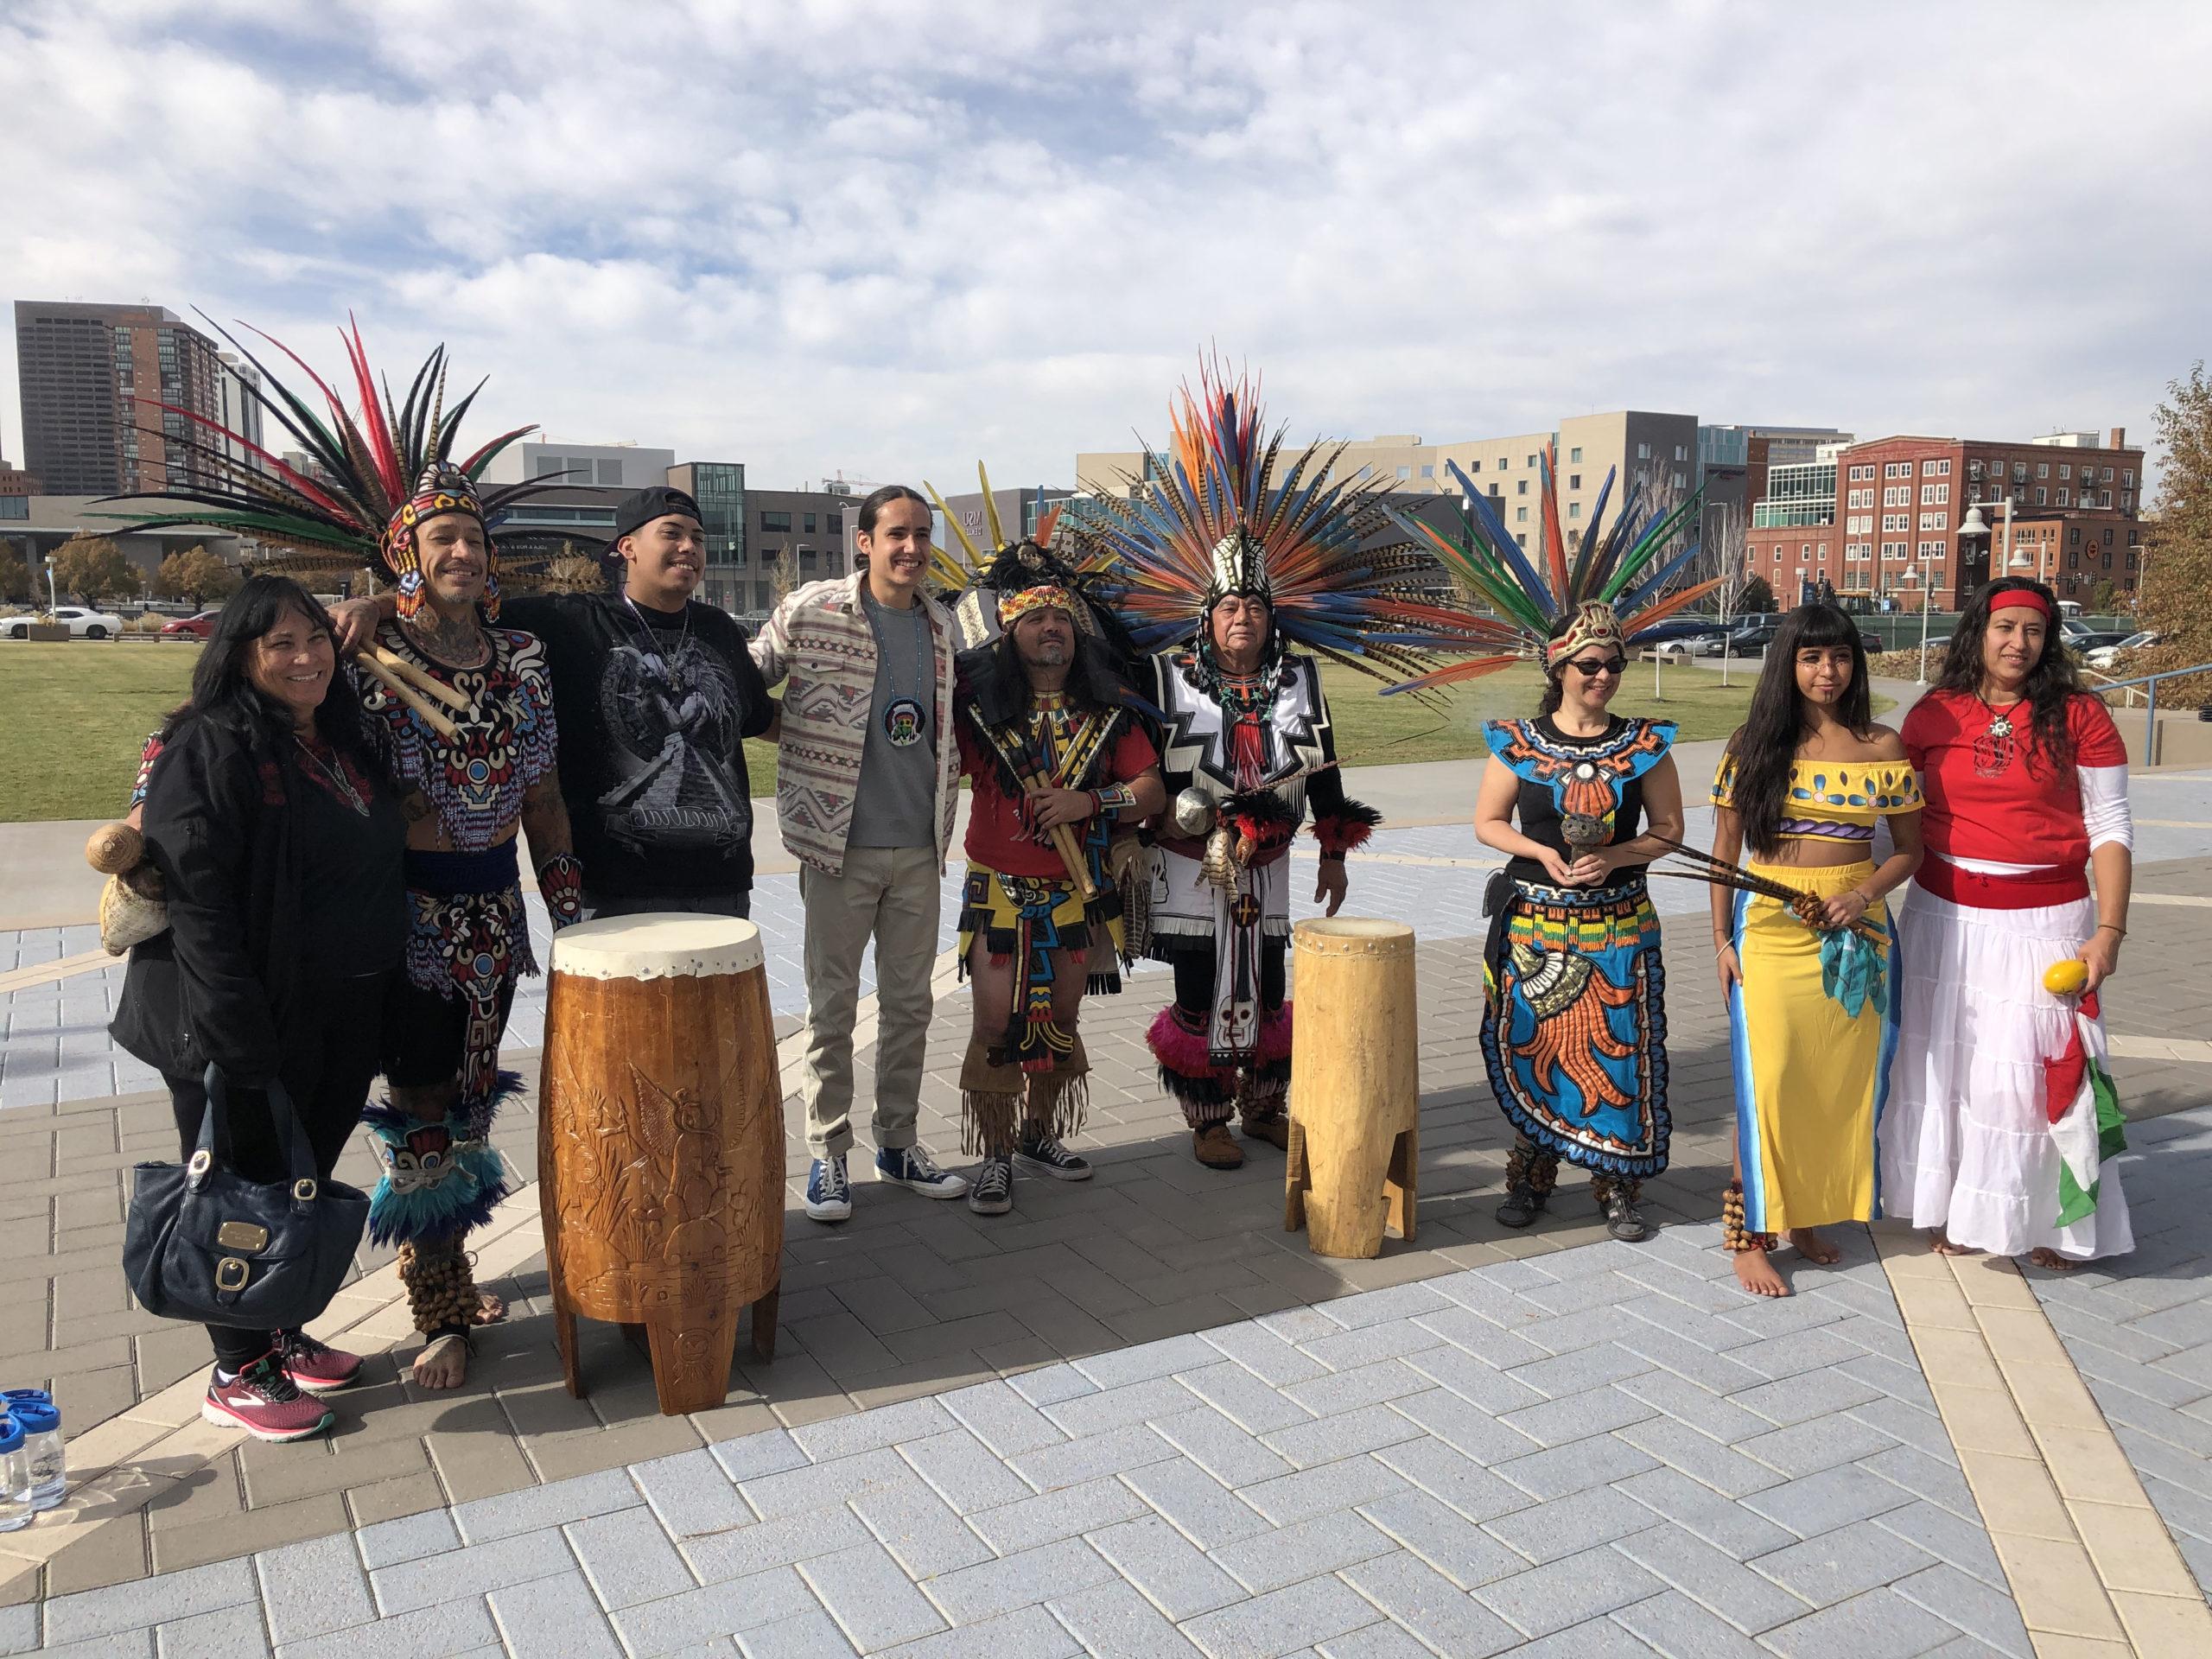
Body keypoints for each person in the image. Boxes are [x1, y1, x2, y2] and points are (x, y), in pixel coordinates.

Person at [110, 321, 581, 1389]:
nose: (459, 552)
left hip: (490, 921)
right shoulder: (360, 659)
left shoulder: (527, 659)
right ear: (404, 556)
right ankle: (438, 1309)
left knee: (461, 1103)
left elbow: (543, 792)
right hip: (392, 929)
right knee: (407, 1113)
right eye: (438, 540)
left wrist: (570, 911)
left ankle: (390, 1287)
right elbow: (233, 730)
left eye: (472, 537)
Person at [1078, 374, 1478, 1171]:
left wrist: (1333, 849)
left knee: (1265, 976)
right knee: (1199, 982)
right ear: (1207, 618)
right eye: (1230, 609)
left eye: (1255, 609)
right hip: (1188, 861)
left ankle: (1263, 1103)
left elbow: (1324, 769)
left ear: (1272, 617)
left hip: (1267, 864)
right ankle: (1206, 1118)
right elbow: (1136, 761)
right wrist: (1139, 827)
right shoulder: (1167, 678)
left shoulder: (1300, 683)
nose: (1243, 619)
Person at [110, 577, 403, 1441]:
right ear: (241, 656)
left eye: (315, 637)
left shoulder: (339, 739)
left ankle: (277, 1328)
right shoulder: (209, 747)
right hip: (237, 1018)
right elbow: (200, 903)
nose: (306, 655)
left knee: (293, 1179)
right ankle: (238, 1368)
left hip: (334, 1010)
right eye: (281, 643)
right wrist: (236, 1035)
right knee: (239, 1187)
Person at [340, 486, 776, 918]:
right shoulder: (566, 621)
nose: (689, 547)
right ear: (628, 547)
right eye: (672, 533)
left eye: (698, 538)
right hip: (613, 892)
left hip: (724, 883)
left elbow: (758, 717)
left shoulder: (719, 628)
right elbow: (455, 602)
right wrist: (373, 605)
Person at [1879, 576, 2133, 1267]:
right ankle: (1959, 1210)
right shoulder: (1934, 714)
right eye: (2004, 627)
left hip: (2046, 924)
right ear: (1978, 632)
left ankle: (2055, 1222)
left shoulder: (2081, 714)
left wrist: (2108, 931)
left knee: (2030, 1076)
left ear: (2048, 641)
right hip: (1942, 919)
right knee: (1949, 1069)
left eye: (2033, 631)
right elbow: (1894, 826)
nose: (2018, 643)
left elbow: (2111, 827)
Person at [751, 485, 969, 1221]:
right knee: (831, 1009)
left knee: (910, 1006)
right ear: (865, 543)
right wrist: (792, 730)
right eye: (897, 534)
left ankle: (899, 1143)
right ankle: (828, 1153)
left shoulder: (945, 627)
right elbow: (742, 682)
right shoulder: (812, 612)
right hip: (835, 847)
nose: (911, 548)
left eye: (922, 535)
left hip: (918, 848)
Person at [1710, 603, 1923, 1296]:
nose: (1826, 671)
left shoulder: (1883, 747)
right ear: (1787, 664)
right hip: (1768, 931)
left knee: (1833, 1084)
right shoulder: (1752, 744)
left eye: (1839, 657)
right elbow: (1723, 855)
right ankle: (1748, 1237)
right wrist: (1720, 940)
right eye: (1811, 657)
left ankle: (1805, 1218)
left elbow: (1912, 852)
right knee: (1768, 1083)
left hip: (1854, 928)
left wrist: (1861, 897)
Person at [952, 569, 1165, 1214]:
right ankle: (993, 1157)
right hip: (997, 890)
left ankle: (1036, 1135)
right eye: (1036, 620)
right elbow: (930, 764)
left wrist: (1088, 800)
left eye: (1063, 620)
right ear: (1009, 635)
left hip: (1076, 891)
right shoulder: (981, 715)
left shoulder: (1107, 715)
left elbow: (1152, 791)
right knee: (995, 1022)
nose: (1052, 629)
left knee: (1060, 1020)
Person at [1474, 602, 1685, 1242]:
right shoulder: (1516, 743)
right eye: (1589, 665)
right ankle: (1531, 1176)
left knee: (1618, 1057)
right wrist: (1541, 853)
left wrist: (1614, 857)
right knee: (1534, 1048)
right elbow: (1488, 824)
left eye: (1614, 666)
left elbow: (1670, 831)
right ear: (1558, 667)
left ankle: (1618, 1184)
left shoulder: (1645, 746)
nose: (1603, 678)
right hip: (1535, 932)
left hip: (1616, 929)